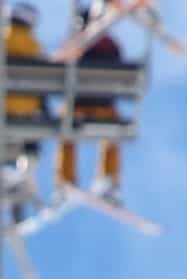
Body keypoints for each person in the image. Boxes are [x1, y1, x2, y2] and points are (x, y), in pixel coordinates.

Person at [58, 2, 127, 199]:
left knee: (65, 132)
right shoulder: (112, 46)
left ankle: (65, 179)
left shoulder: (75, 44)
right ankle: (108, 179)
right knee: (113, 134)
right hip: (104, 109)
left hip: (77, 107)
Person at [4, 4, 53, 226]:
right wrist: (45, 111)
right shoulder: (34, 46)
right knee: (29, 145)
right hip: (26, 112)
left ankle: (14, 188)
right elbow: (44, 82)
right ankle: (21, 185)